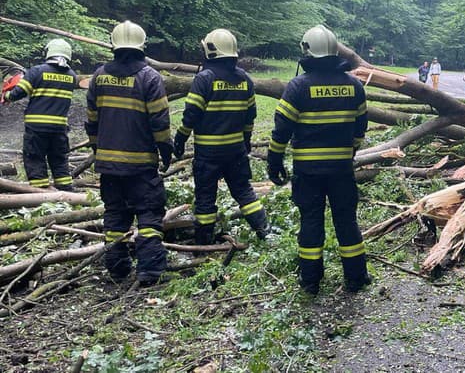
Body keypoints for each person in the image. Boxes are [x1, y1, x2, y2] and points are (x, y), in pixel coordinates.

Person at [267, 25, 370, 295]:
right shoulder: (354, 86)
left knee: (311, 222)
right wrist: (349, 152)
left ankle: (310, 281)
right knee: (346, 220)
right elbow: (360, 128)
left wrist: (274, 160)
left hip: (308, 171)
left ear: (307, 51)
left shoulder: (298, 87)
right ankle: (356, 277)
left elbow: (281, 130)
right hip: (341, 169)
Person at [85, 21, 173, 285]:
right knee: (148, 214)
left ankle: (117, 268)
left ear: (113, 45)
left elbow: (91, 120)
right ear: (142, 46)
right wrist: (165, 149)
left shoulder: (98, 77)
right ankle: (150, 270)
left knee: (114, 216)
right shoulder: (149, 78)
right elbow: (159, 120)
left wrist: (97, 149)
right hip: (141, 165)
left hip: (108, 166)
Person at [173, 29, 270, 245]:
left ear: (209, 50)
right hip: (235, 151)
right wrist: (246, 141)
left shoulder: (204, 79)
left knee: (205, 198)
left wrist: (180, 139)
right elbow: (250, 116)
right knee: (244, 192)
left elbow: (191, 114)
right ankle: (265, 232)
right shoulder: (245, 79)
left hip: (208, 153)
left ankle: (204, 243)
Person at [1, 39, 76, 190]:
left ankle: (40, 194)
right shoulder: (72, 76)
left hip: (37, 127)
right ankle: (66, 193)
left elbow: (19, 92)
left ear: (49, 52)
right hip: (59, 128)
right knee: (59, 160)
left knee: (35, 159)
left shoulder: (37, 71)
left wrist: (6, 96)